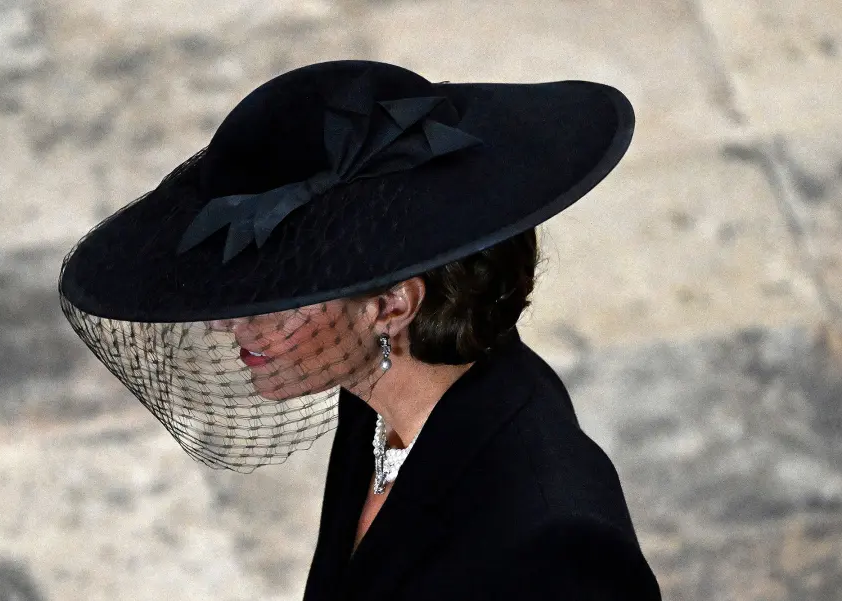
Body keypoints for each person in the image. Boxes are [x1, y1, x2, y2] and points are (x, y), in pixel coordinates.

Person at [59, 60, 661, 599]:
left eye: (276, 299)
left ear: (394, 305)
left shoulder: (557, 547)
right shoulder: (376, 399)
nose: (224, 322)